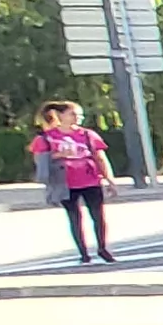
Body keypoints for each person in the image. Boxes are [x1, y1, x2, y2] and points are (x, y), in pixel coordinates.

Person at [29, 102, 115, 264]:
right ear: (60, 115)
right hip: (65, 183)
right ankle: (83, 253)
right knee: (75, 217)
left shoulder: (88, 135)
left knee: (98, 216)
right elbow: (40, 161)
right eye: (73, 114)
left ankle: (102, 248)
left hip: (90, 180)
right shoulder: (46, 138)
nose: (78, 118)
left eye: (80, 115)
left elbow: (100, 158)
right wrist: (58, 155)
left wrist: (110, 179)